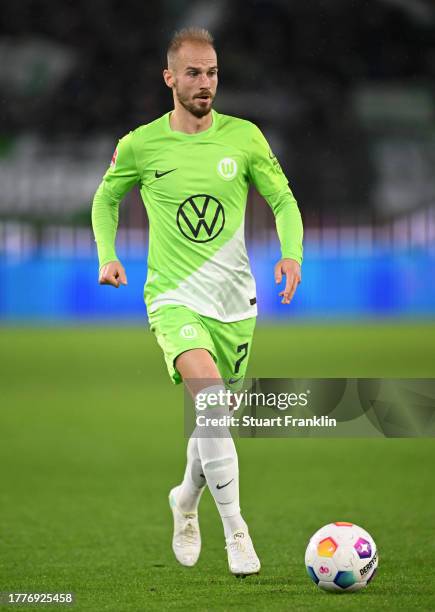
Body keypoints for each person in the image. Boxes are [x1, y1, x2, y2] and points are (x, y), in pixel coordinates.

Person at [91, 27, 303, 577]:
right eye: (192, 73)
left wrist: (291, 254)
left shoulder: (245, 138)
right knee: (209, 403)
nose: (204, 83)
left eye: (211, 72)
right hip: (173, 298)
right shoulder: (140, 144)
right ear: (170, 78)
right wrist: (107, 254)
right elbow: (106, 197)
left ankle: (185, 500)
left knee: (212, 420)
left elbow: (282, 198)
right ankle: (237, 531)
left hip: (235, 302)